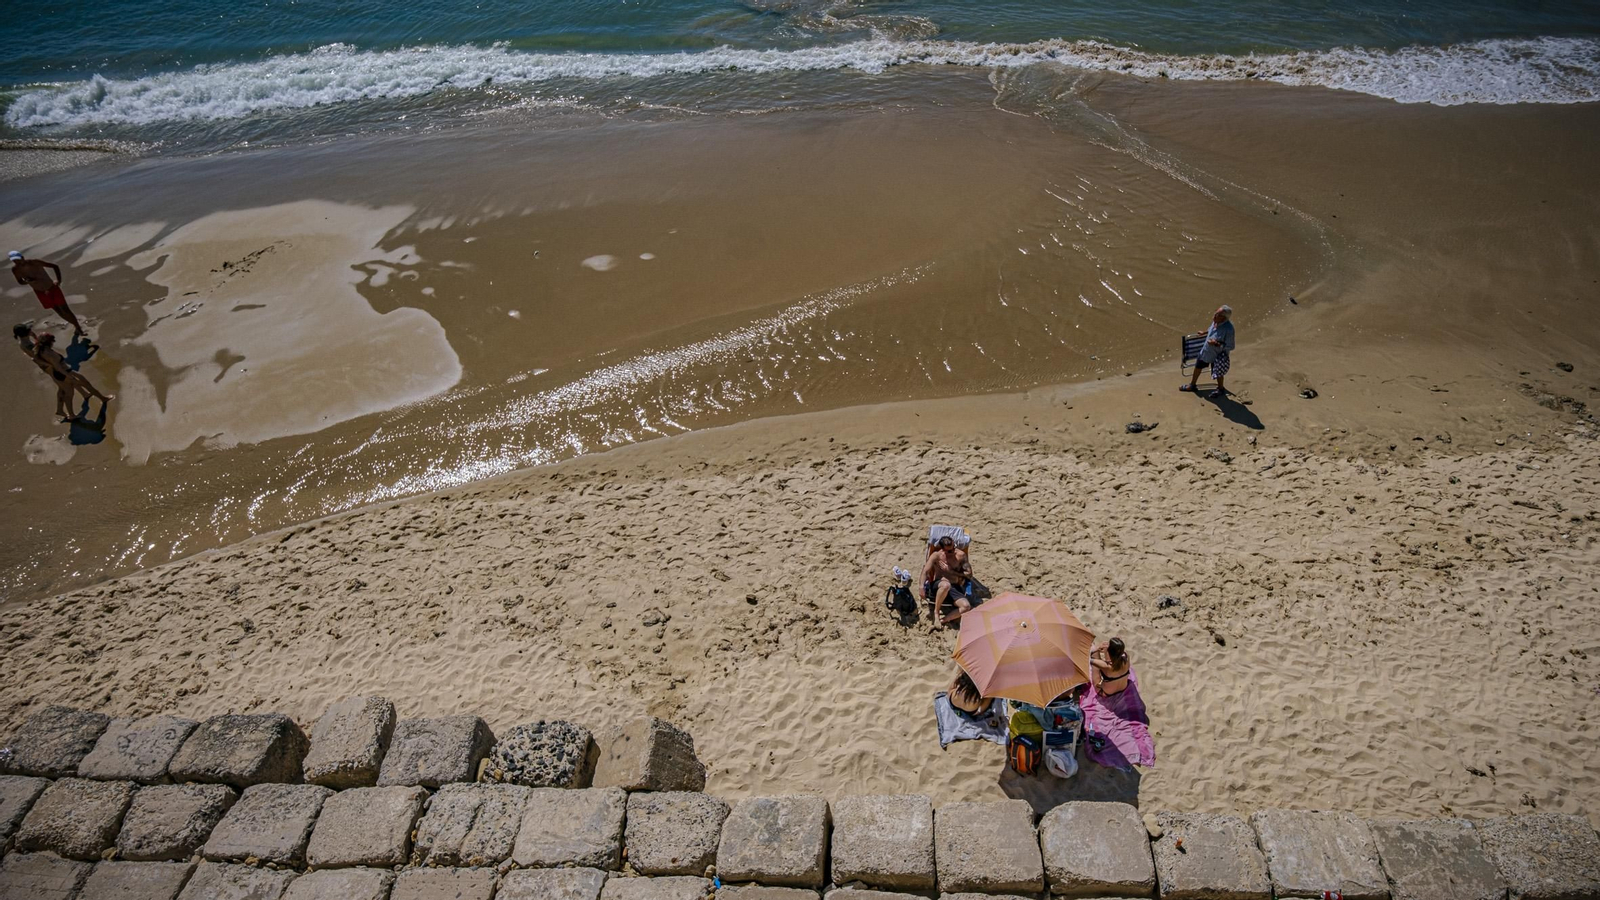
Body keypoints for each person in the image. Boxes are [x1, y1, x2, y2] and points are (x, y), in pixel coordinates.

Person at [1081, 636, 1155, 770]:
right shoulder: (1126, 658)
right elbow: (1114, 660)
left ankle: (1095, 648)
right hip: (1123, 687)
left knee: (1094, 664)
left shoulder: (1106, 667)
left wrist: (1096, 651)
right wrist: (1107, 652)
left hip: (1105, 692)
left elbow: (1089, 660)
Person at [15, 325, 110, 421]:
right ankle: (97, 399)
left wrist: (35, 337)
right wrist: (51, 365)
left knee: (67, 387)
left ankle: (71, 403)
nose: (31, 331)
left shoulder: (30, 344)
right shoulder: (30, 346)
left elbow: (37, 354)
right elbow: (37, 359)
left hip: (57, 369)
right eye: (29, 330)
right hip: (54, 369)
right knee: (69, 389)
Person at [10, 251, 83, 336]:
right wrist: (27, 281)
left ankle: (78, 327)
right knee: (58, 311)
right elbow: (20, 281)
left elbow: (55, 266)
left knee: (65, 309)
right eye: (14, 261)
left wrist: (59, 280)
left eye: (18, 260)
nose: (17, 262)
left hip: (51, 287)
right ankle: (75, 325)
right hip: (39, 291)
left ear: (22, 257)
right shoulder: (15, 270)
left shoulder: (35, 262)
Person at [1181, 305, 1235, 399]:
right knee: (1198, 366)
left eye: (1217, 314)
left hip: (1217, 355)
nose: (1214, 315)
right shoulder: (1215, 322)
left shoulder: (1229, 329)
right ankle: (1192, 385)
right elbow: (1211, 329)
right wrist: (1204, 332)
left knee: (1218, 372)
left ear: (1223, 318)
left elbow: (1230, 346)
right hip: (1206, 351)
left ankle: (1220, 388)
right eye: (1215, 312)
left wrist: (1216, 343)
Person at [922, 534, 974, 628]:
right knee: (946, 585)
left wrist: (951, 571)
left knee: (966, 607)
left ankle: (943, 620)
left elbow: (969, 575)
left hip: (954, 586)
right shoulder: (937, 556)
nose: (953, 551)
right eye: (949, 550)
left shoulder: (960, 555)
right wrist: (921, 587)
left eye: (954, 547)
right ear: (943, 549)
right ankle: (936, 613)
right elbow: (925, 571)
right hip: (939, 585)